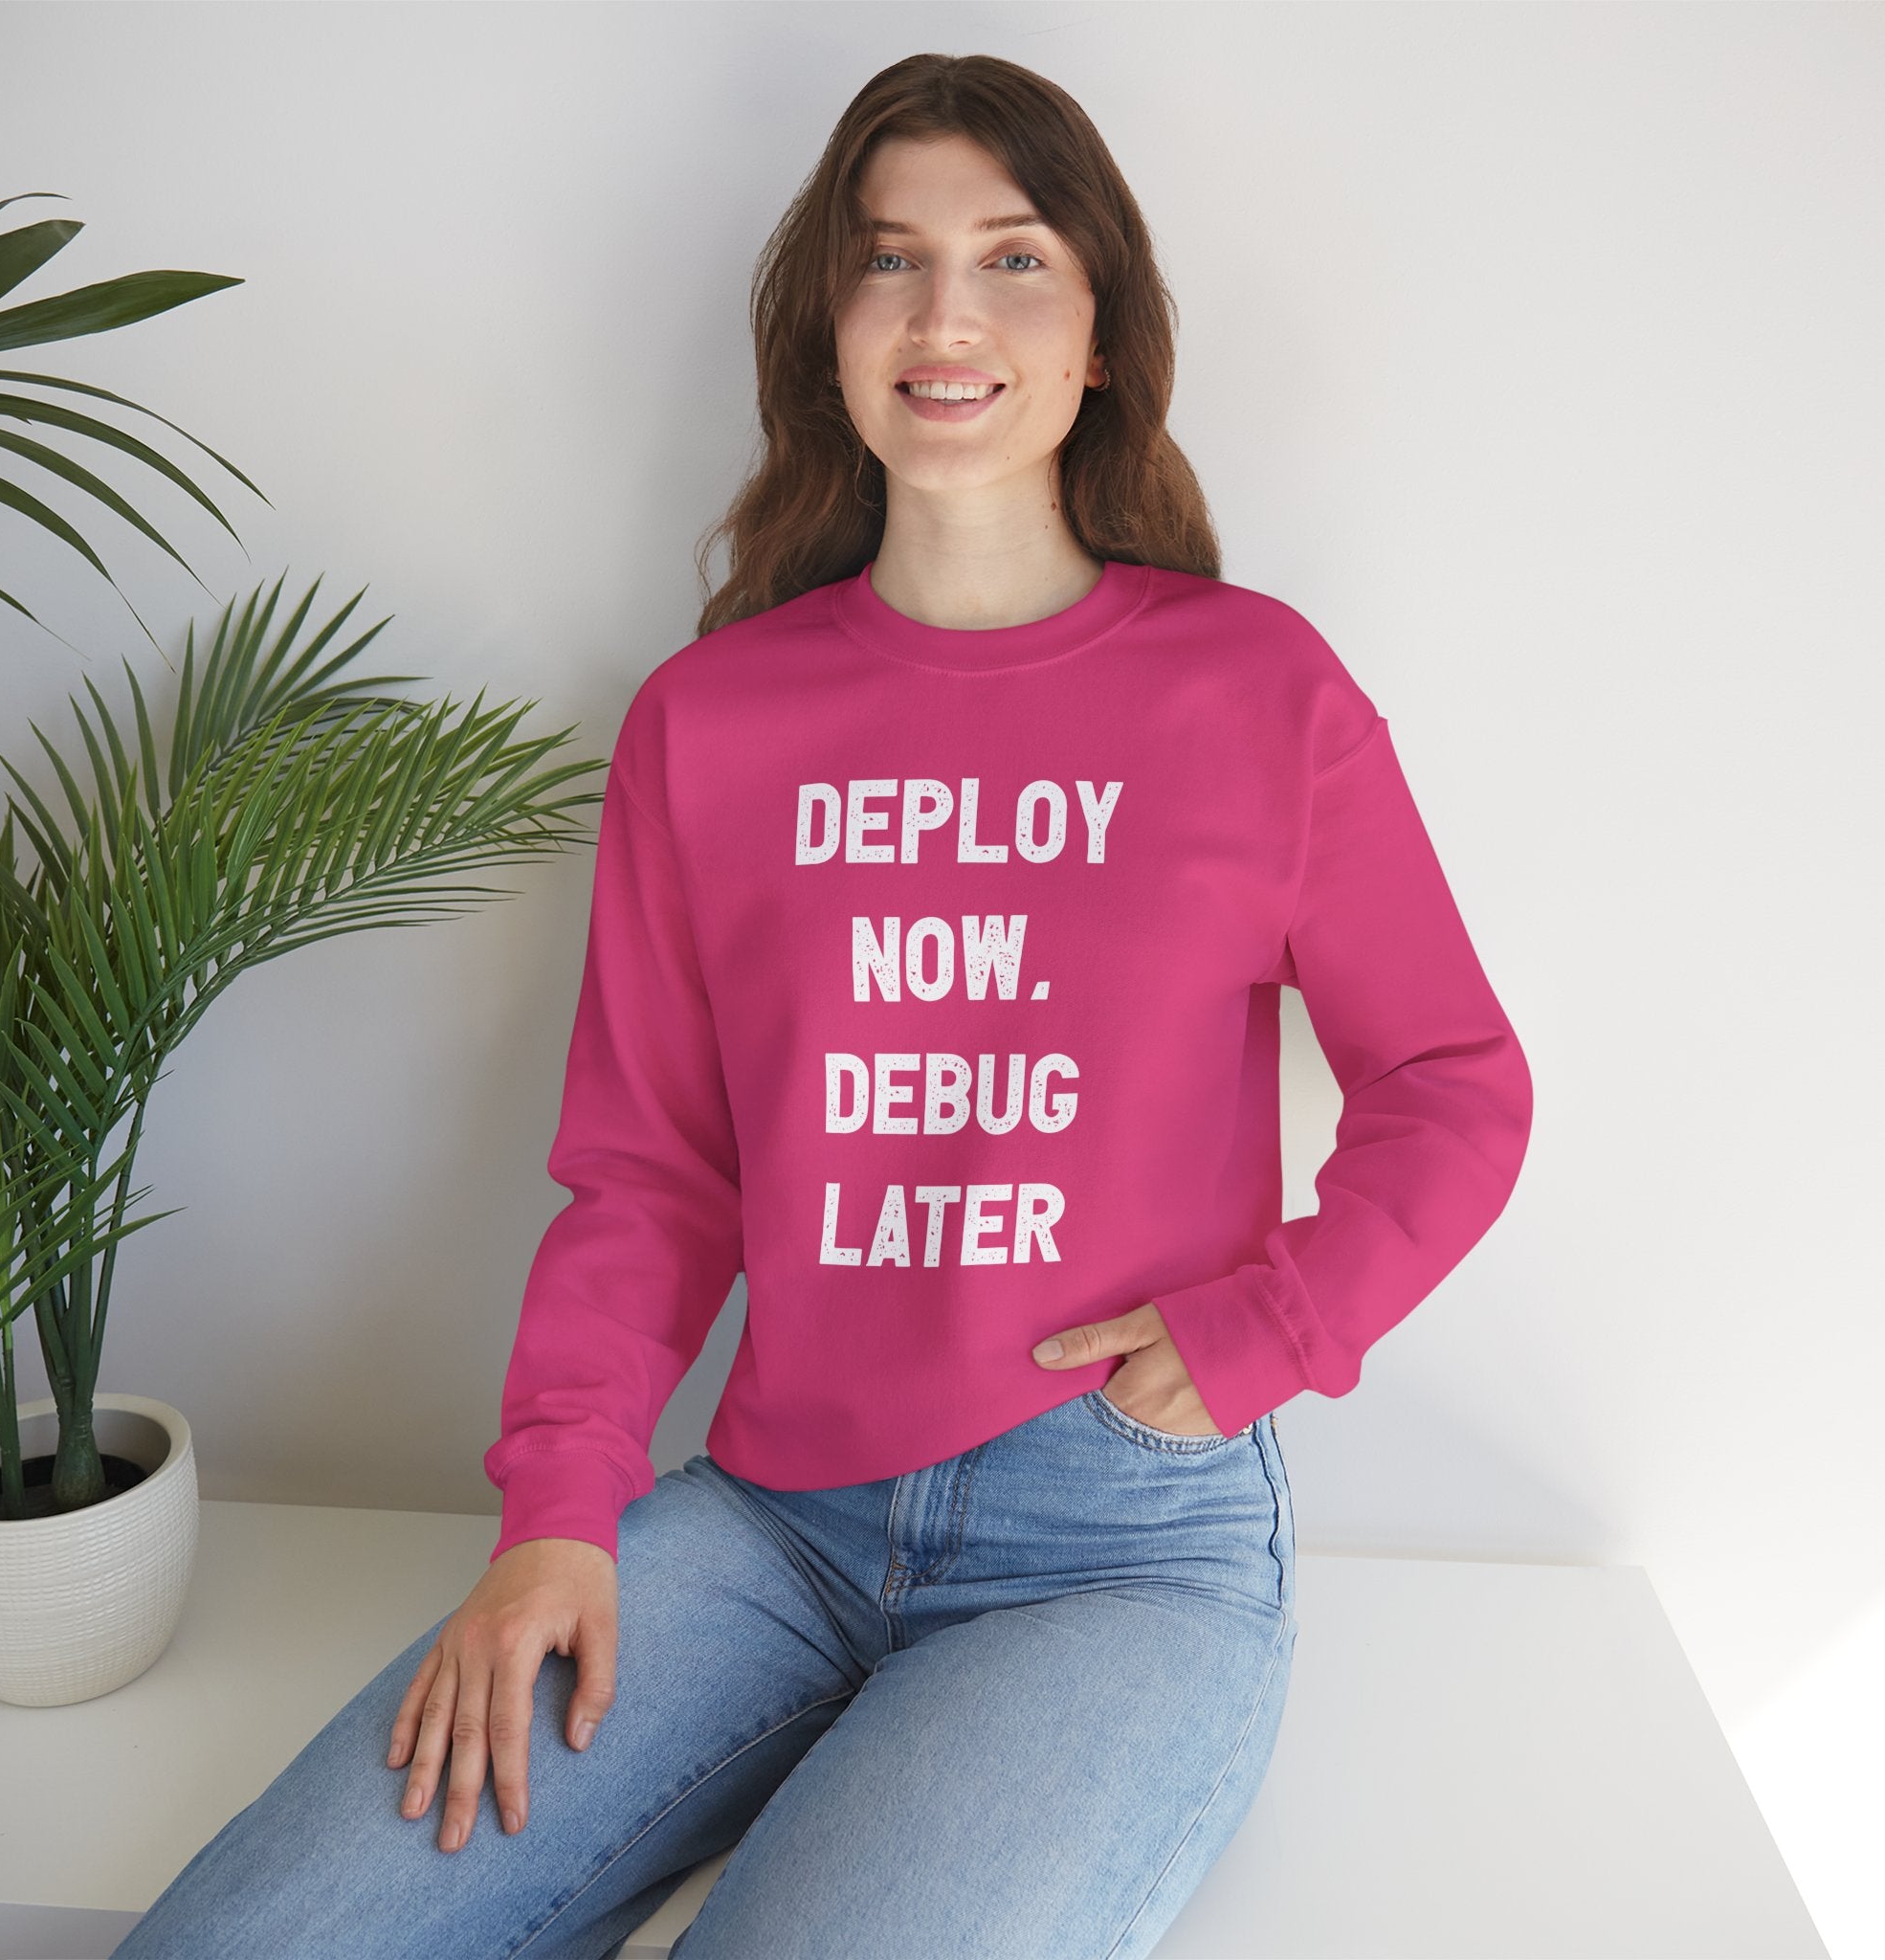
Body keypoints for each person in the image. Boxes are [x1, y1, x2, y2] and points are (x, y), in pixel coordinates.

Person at [113, 51, 1532, 1960]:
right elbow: (650, 1177)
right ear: (829, 330)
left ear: (1099, 331)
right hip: (771, 1518)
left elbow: (1452, 1082)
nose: (947, 315)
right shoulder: (713, 722)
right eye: (889, 262)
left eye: (1013, 259)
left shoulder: (1252, 692)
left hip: (1114, 1545)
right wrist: (558, 1508)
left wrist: (1270, 1321)